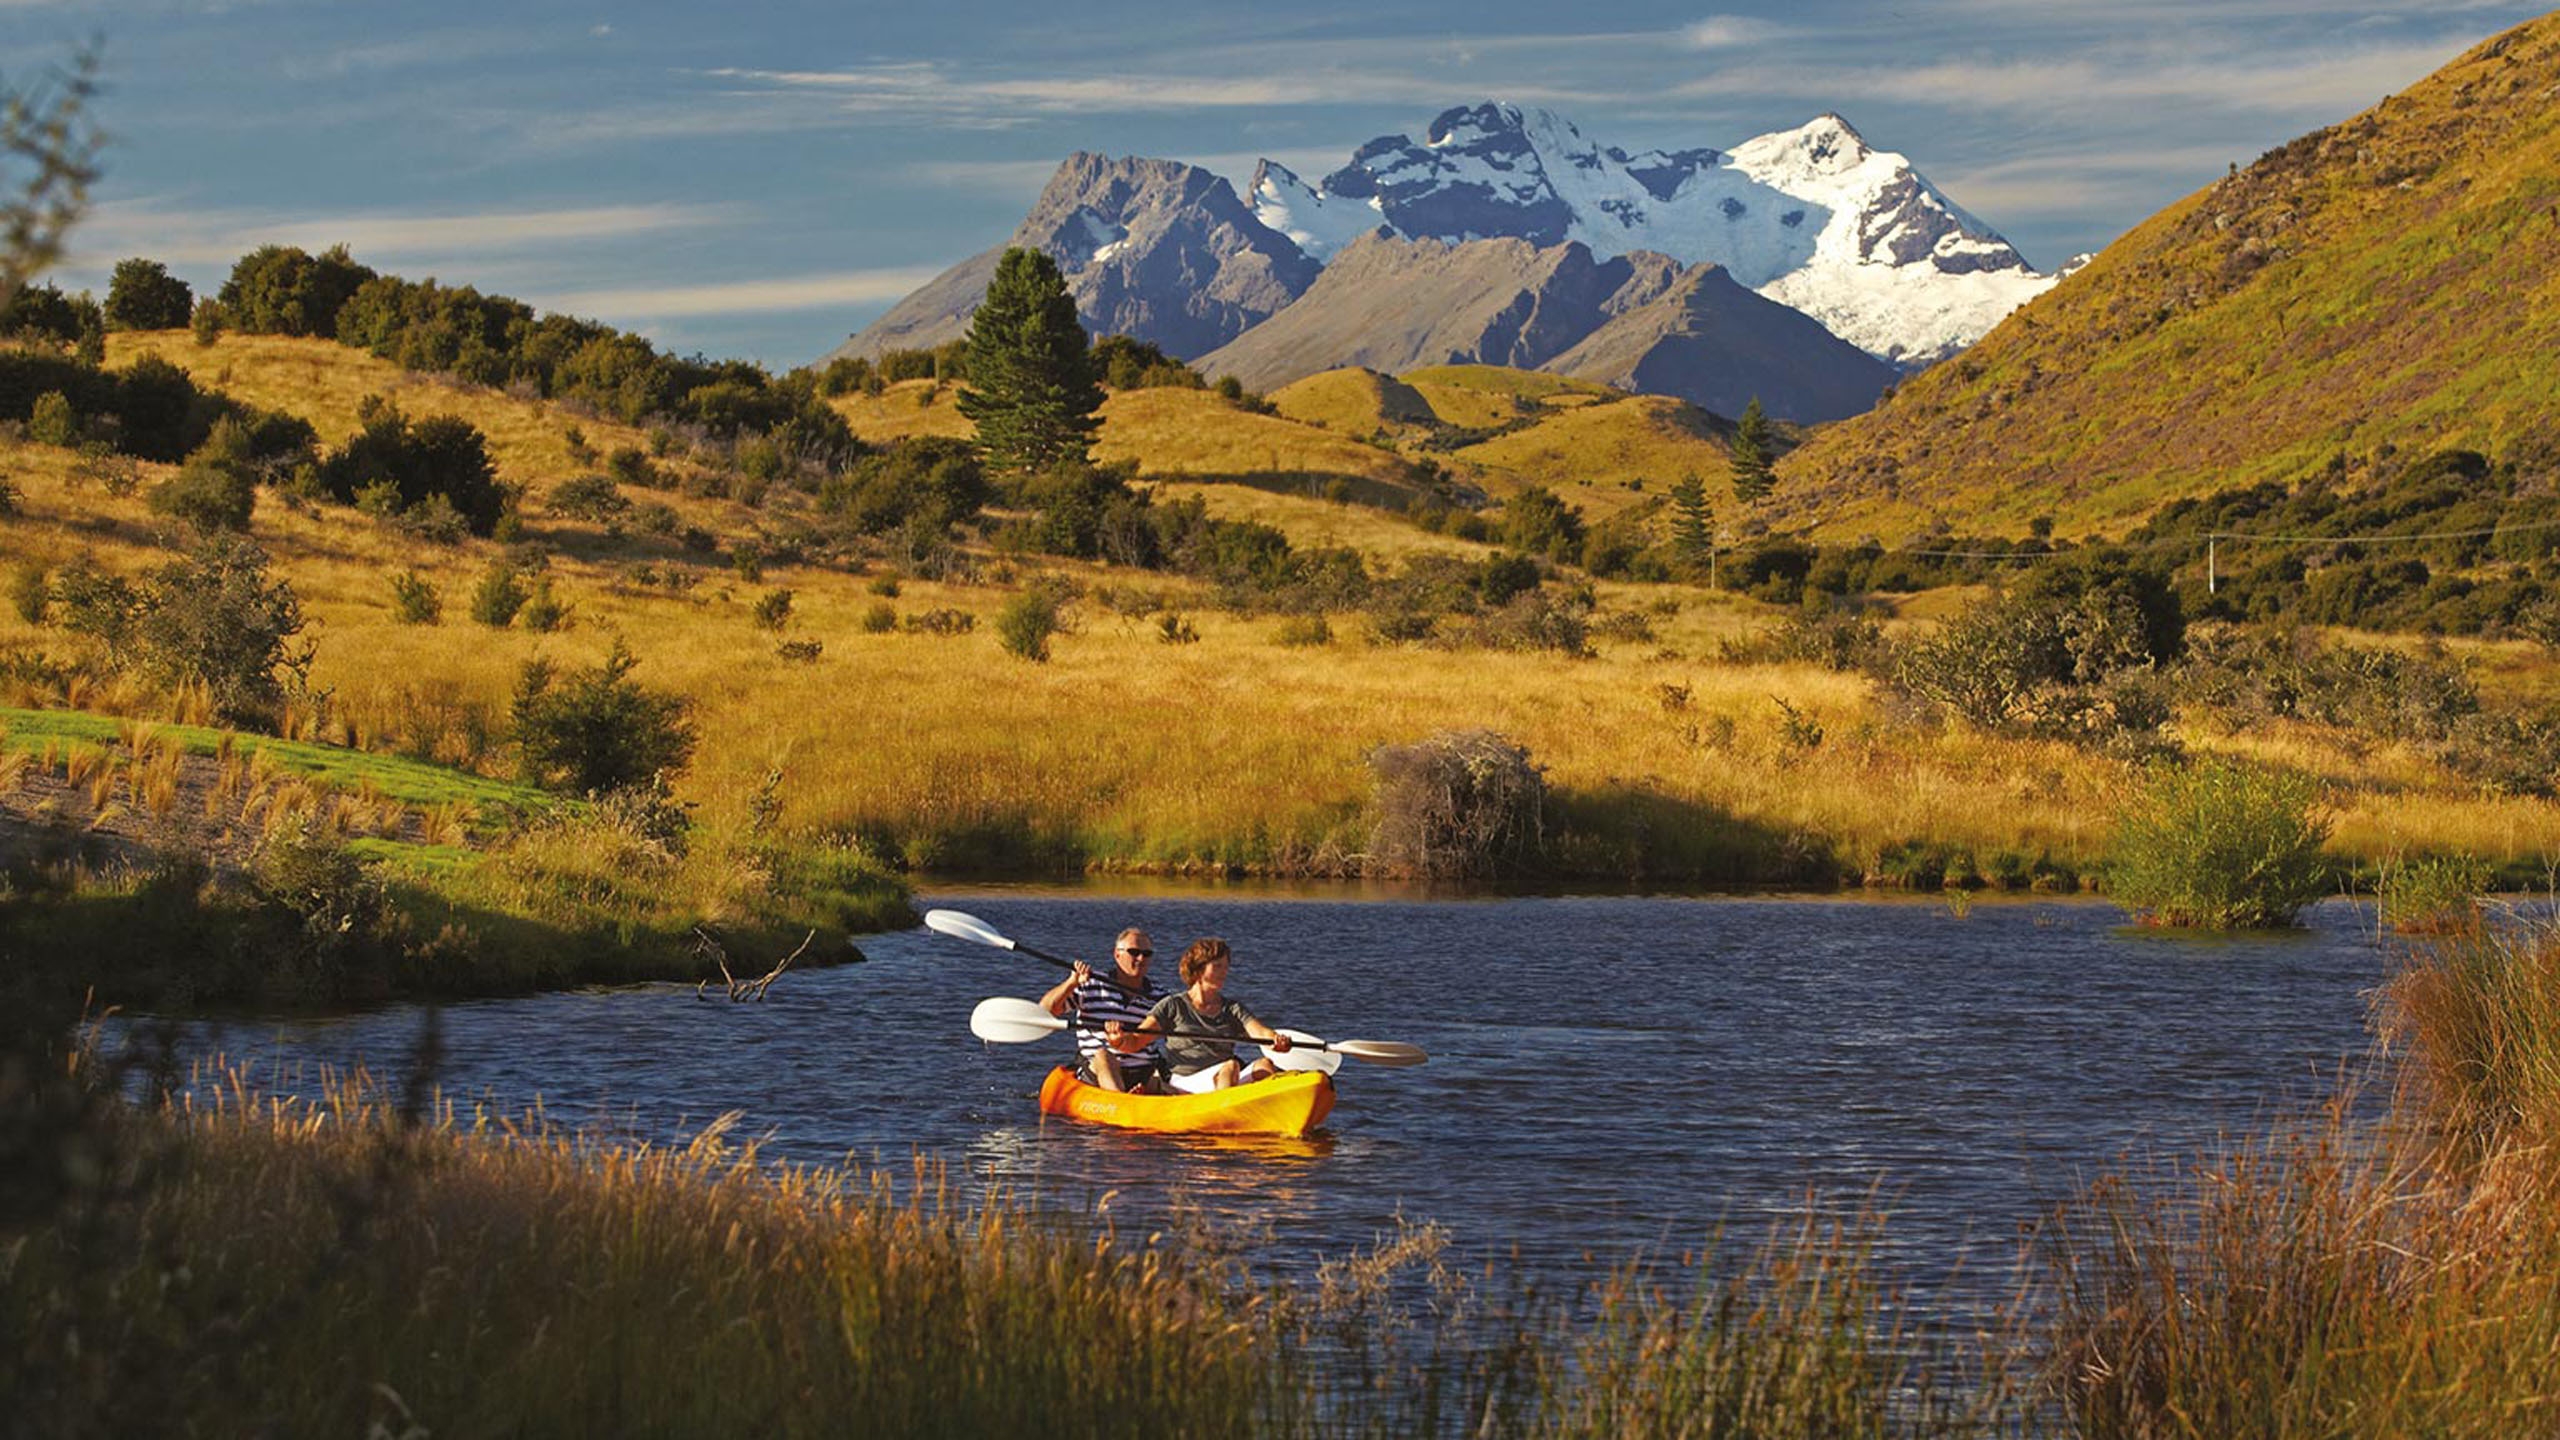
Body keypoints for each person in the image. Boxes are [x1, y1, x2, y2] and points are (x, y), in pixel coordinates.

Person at [1104, 937, 1293, 1093]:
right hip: (1184, 1082)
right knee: (1230, 1066)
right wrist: (1118, 1041)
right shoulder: (1172, 1006)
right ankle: (1224, 1118)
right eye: (1217, 966)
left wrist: (1275, 1039)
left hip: (1225, 1078)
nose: (1224, 973)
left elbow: (1260, 1033)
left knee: (1265, 1065)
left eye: (1226, 967)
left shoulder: (1233, 1009)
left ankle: (1272, 1112)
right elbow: (1136, 1040)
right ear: (1199, 969)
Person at [1038, 926, 1167, 1093]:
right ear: (1117, 954)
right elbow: (1046, 1012)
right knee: (1103, 1055)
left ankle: (1148, 1096)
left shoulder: (1160, 996)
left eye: (1147, 954)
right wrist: (1072, 983)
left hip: (1144, 1070)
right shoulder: (1091, 984)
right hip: (1099, 1069)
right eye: (1134, 952)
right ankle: (1122, 1099)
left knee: (1162, 1068)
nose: (1141, 958)